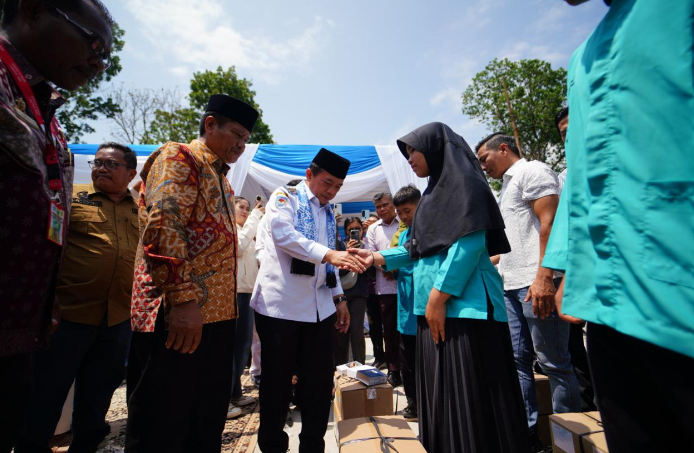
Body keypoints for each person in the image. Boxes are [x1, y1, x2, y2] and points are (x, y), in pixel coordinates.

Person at [543, 2, 694, 452]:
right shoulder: (582, 54)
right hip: (608, 298)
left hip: (678, 287)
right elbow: (583, 171)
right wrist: (565, 265)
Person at [351, 122, 528, 453]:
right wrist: (374, 256)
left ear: (434, 147)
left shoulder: (467, 184)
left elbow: (470, 243)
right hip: (433, 308)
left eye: (413, 151)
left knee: (473, 395)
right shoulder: (432, 196)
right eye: (405, 154)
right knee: (446, 395)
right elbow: (419, 248)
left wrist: (439, 296)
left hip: (465, 309)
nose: (409, 159)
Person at [0, 1, 114, 450]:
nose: (98, 64)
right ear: (31, 10)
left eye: (105, 54)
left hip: (22, 332)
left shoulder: (49, 115)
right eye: (93, 44)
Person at [125, 94, 259, 453]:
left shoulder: (224, 181)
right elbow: (164, 225)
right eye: (235, 134)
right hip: (176, 315)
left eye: (245, 140)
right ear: (210, 124)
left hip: (215, 317)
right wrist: (182, 301)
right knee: (164, 420)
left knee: (205, 417)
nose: (240, 145)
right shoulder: (179, 156)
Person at [16, 143, 138, 453]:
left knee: (97, 400)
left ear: (131, 173)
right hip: (67, 317)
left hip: (117, 320)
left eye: (110, 164)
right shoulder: (72, 195)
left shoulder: (140, 207)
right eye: (97, 163)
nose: (101, 168)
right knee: (45, 395)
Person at [250, 148, 365, 453]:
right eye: (327, 183)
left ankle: (312, 446)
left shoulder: (329, 213)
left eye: (338, 187)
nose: (331, 191)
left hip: (320, 309)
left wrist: (339, 297)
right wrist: (329, 253)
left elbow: (331, 263)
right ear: (309, 174)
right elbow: (283, 235)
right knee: (277, 384)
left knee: (317, 385)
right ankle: (273, 445)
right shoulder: (285, 197)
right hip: (281, 308)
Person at [476, 133, 580, 450]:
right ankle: (528, 434)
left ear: (503, 149)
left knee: (553, 363)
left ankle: (568, 440)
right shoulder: (506, 188)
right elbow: (510, 248)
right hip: (510, 285)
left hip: (536, 282)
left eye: (484, 158)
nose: (482, 166)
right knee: (517, 363)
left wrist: (544, 277)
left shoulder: (532, 171)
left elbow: (550, 224)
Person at [551, 105, 596, 413]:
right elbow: (568, 227)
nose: (570, 140)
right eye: (564, 135)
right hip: (579, 274)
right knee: (580, 348)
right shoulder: (564, 178)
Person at [228, 196, 265, 418]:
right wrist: (254, 219)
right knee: (230, 348)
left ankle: (235, 393)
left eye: (248, 208)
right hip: (232, 294)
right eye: (241, 207)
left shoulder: (250, 232)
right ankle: (225, 396)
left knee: (243, 347)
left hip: (249, 294)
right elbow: (238, 248)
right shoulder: (231, 229)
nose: (246, 211)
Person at [364, 193, 402, 386]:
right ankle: (394, 369)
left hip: (405, 284)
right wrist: (387, 266)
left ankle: (409, 368)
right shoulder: (373, 229)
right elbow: (370, 253)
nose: (382, 209)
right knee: (390, 331)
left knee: (407, 331)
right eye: (378, 207)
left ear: (393, 204)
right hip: (385, 287)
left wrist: (397, 267)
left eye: (385, 205)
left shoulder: (403, 223)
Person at [392, 184, 421, 421]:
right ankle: (413, 405)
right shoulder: (402, 234)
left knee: (424, 363)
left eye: (407, 211)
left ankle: (426, 404)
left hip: (421, 310)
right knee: (407, 362)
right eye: (399, 212)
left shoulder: (429, 231)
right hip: (404, 310)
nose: (403, 217)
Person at [333, 217, 369, 365]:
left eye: (357, 229)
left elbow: (370, 272)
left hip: (359, 294)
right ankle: (340, 367)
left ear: (362, 230)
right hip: (342, 295)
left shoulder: (367, 247)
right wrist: (348, 253)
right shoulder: (340, 247)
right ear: (345, 231)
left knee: (357, 331)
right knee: (341, 331)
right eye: (350, 230)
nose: (354, 232)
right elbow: (337, 272)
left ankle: (360, 366)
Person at [362, 213, 386, 368]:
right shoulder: (363, 241)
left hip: (386, 287)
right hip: (370, 289)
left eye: (373, 222)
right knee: (374, 325)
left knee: (389, 325)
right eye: (367, 224)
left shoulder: (383, 235)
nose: (369, 226)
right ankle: (379, 356)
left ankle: (392, 359)